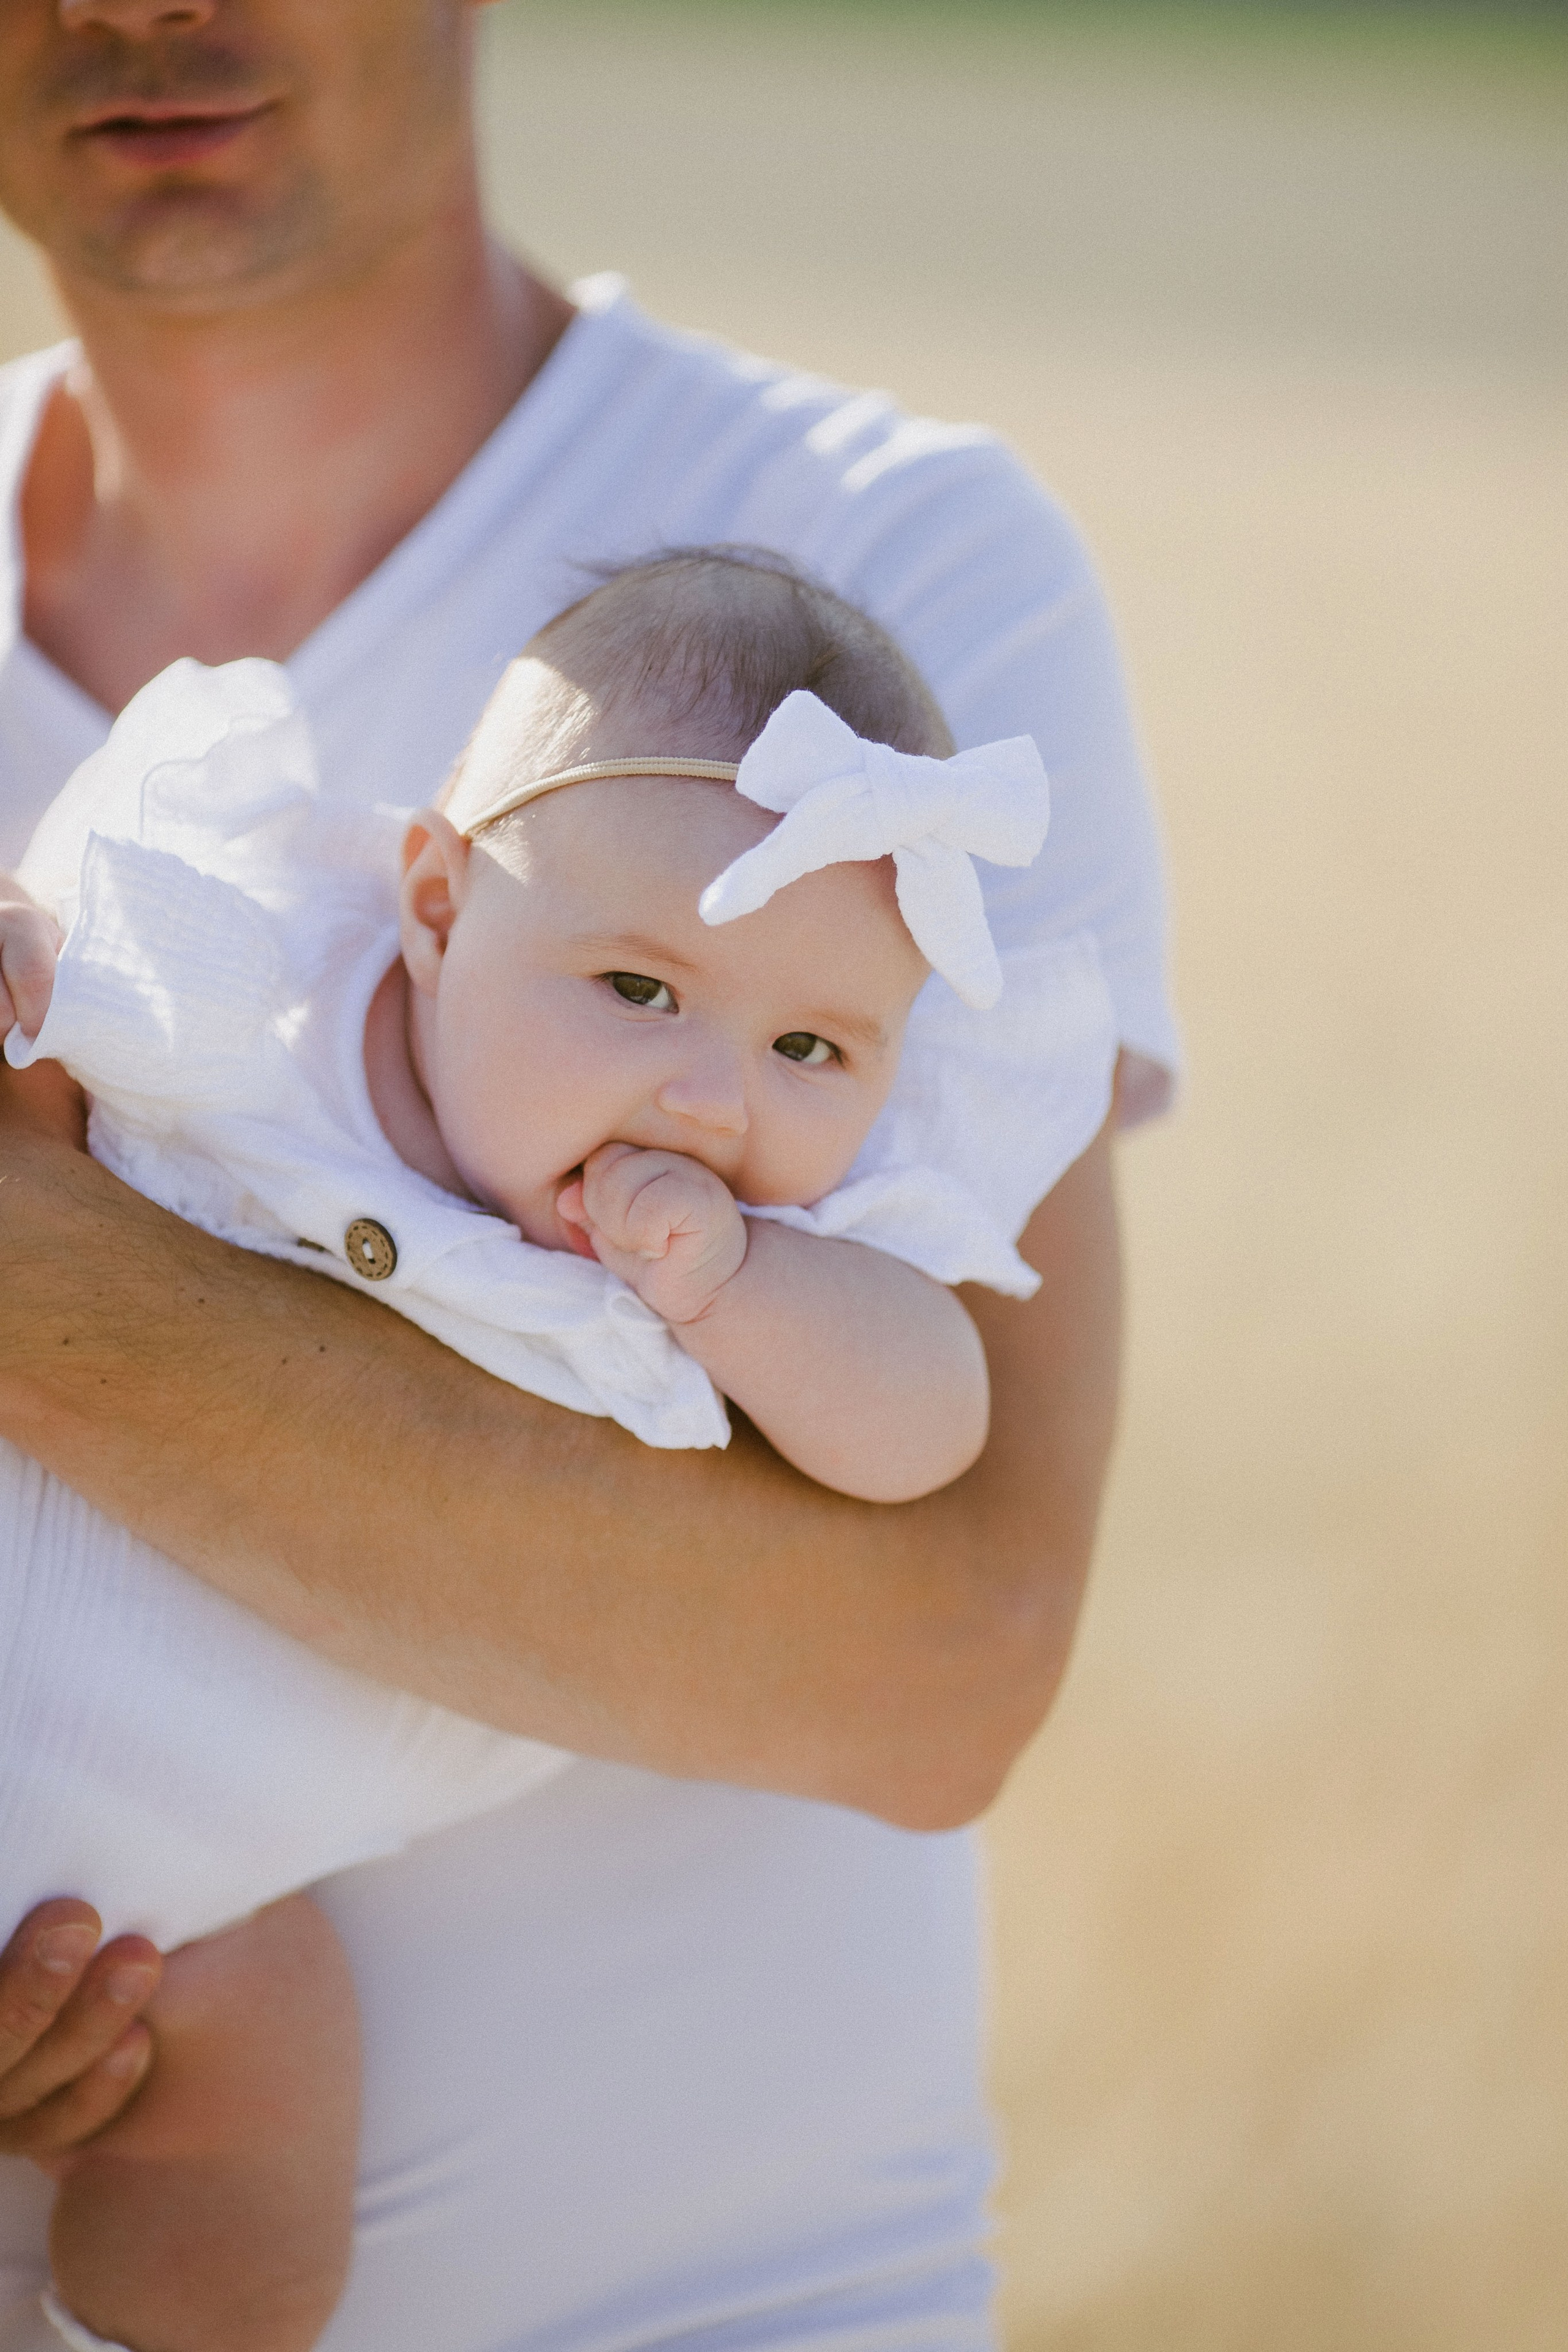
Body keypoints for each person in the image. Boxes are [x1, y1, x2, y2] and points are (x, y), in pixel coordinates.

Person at [0, 2, 1175, 2346]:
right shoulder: (194, 867)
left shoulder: (872, 583)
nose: (151, 4)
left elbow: (942, 1663)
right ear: (433, 893)